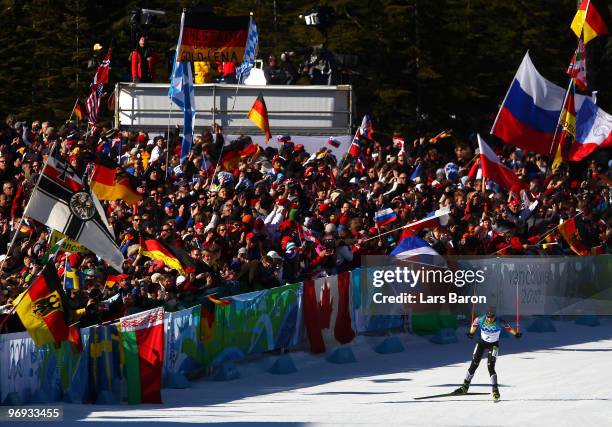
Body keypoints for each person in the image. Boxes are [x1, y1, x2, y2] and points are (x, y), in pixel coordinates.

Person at [454, 306, 521, 401]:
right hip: (481, 343)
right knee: (474, 364)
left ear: (495, 316)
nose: (489, 319)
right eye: (488, 316)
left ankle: (495, 390)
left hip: (493, 345)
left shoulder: (499, 322)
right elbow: (474, 324)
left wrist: (516, 334)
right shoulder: (480, 319)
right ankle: (464, 387)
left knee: (490, 367)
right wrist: (471, 333)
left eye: (492, 317)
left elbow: (508, 328)